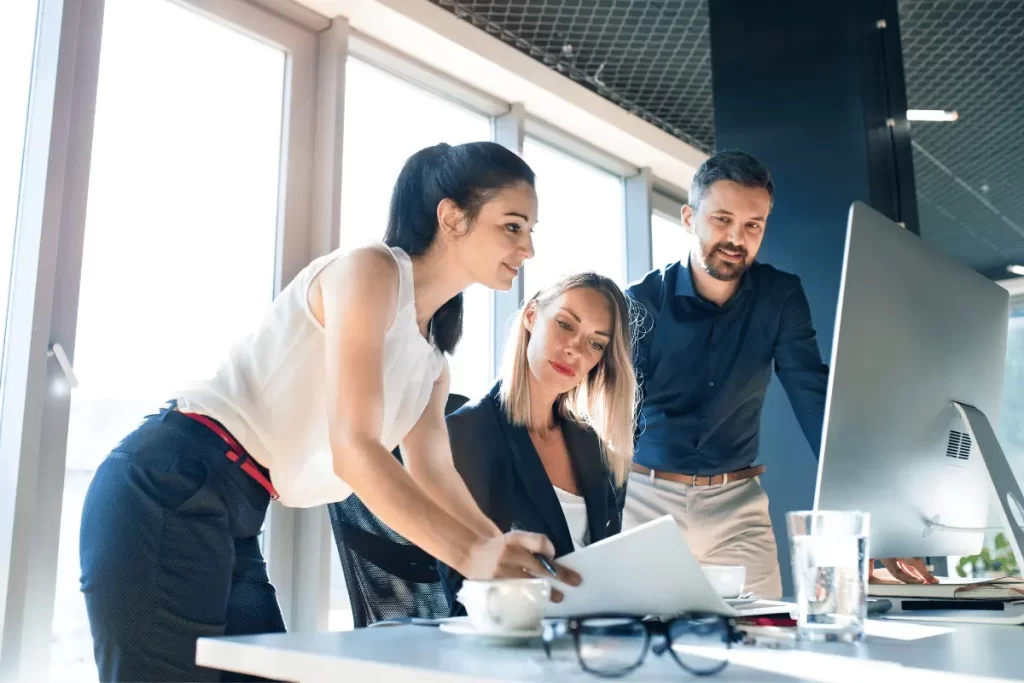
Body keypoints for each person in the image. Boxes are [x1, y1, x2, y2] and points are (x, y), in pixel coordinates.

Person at [78, 141, 580, 682]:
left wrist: (499, 553)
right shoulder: (370, 269)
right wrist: (473, 556)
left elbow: (435, 473)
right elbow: (354, 450)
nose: (527, 247)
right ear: (451, 217)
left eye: (531, 231)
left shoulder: (433, 362)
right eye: (512, 225)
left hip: (239, 509)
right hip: (170, 481)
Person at [623, 150, 936, 599]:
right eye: (722, 219)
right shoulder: (641, 301)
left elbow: (814, 399)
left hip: (737, 505)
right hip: (646, 500)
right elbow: (619, 416)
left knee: (769, 646)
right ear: (689, 217)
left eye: (753, 225)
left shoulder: (781, 296)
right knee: (640, 646)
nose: (736, 238)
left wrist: (877, 517)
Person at [440, 272, 638, 611]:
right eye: (565, 324)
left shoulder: (593, 446)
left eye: (595, 343)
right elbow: (461, 588)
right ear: (531, 316)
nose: (575, 349)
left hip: (591, 634)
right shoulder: (466, 435)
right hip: (512, 635)